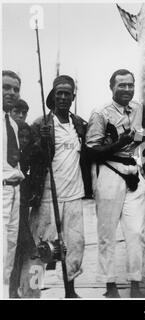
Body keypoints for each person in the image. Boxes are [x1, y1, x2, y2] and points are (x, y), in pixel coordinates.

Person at [20, 75, 91, 298]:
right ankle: (31, 292)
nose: (62, 96)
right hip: (47, 196)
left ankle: (70, 292)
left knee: (74, 247)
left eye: (67, 93)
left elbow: (91, 155)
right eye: (58, 92)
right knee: (39, 248)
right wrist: (39, 143)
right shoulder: (39, 124)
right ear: (53, 95)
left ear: (73, 97)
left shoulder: (80, 124)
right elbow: (26, 158)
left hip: (74, 196)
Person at [86, 69, 145, 298]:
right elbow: (91, 151)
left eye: (130, 85)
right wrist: (118, 143)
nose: (127, 89)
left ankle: (135, 284)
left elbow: (144, 135)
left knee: (136, 233)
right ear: (111, 87)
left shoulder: (139, 108)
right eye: (122, 85)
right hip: (109, 172)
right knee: (106, 233)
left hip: (133, 171)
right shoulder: (100, 113)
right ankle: (110, 285)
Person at [2, 70, 24, 298]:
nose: (11, 92)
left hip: (14, 193)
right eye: (6, 87)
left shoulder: (13, 124)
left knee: (9, 251)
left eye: (16, 89)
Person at [8, 122, 36, 298]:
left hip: (23, 209)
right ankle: (13, 290)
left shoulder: (32, 155)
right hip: (13, 208)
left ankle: (31, 292)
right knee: (19, 250)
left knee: (31, 252)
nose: (24, 141)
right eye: (21, 137)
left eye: (27, 137)